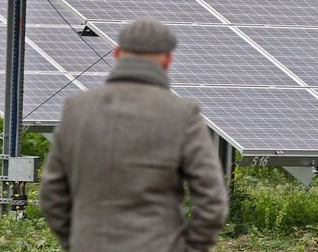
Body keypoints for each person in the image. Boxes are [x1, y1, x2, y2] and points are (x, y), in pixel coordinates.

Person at [40, 18, 228, 251]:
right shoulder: (182, 115)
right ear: (168, 60)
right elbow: (211, 200)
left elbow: (52, 194)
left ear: (117, 53)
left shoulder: (77, 108)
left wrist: (76, 240)